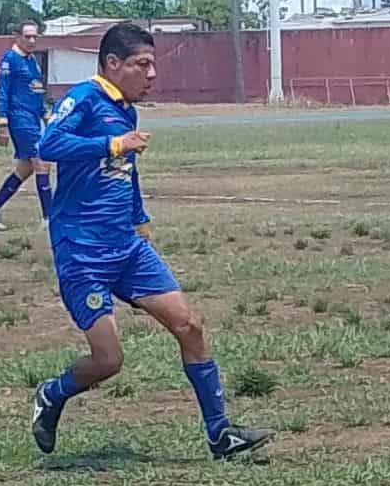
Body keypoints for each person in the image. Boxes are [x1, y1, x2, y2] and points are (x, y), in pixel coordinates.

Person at [31, 23, 273, 460]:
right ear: (112, 64)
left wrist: (139, 216)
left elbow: (127, 168)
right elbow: (48, 143)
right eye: (143, 64)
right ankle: (53, 394)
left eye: (153, 63)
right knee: (108, 361)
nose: (152, 73)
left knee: (190, 325)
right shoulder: (84, 98)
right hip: (82, 251)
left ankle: (220, 435)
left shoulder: (127, 110)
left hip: (127, 247)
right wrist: (113, 143)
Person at [0, 22, 53, 230]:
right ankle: (49, 218)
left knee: (26, 168)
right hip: (19, 119)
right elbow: (2, 92)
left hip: (32, 119)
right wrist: (3, 124)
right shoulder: (9, 59)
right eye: (28, 36)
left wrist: (45, 115)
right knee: (41, 161)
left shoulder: (32, 62)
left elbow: (37, 91)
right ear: (17, 36)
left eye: (35, 37)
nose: (32, 41)